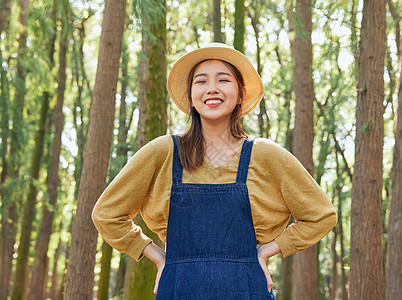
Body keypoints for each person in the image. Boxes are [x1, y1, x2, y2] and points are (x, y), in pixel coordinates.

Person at [92, 43, 337, 299]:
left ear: (241, 93)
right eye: (201, 81)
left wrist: (266, 251)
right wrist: (159, 257)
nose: (212, 88)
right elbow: (107, 214)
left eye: (223, 79)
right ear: (190, 96)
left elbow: (321, 215)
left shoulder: (267, 155)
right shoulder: (162, 152)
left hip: (249, 289)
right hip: (177, 288)